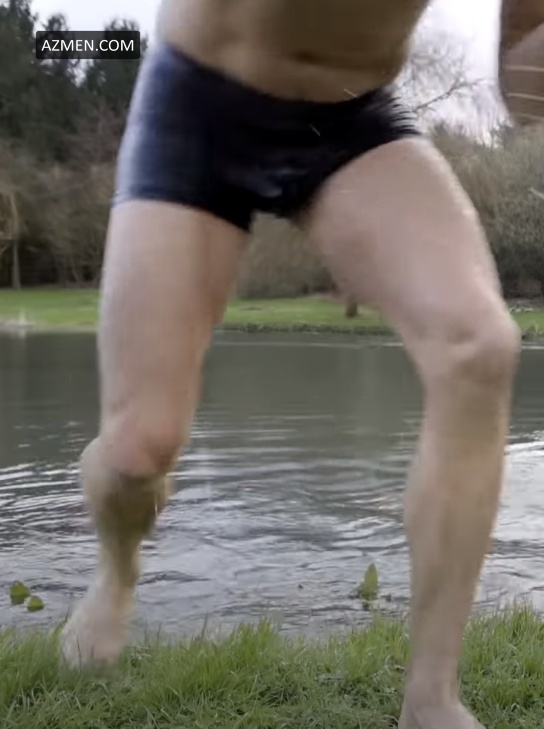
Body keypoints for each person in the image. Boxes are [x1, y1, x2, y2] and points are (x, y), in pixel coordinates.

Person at [59, 1, 540, 727]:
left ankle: (431, 699)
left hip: (349, 119)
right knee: (137, 450)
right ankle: (117, 572)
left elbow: (523, 70)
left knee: (480, 346)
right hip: (199, 100)